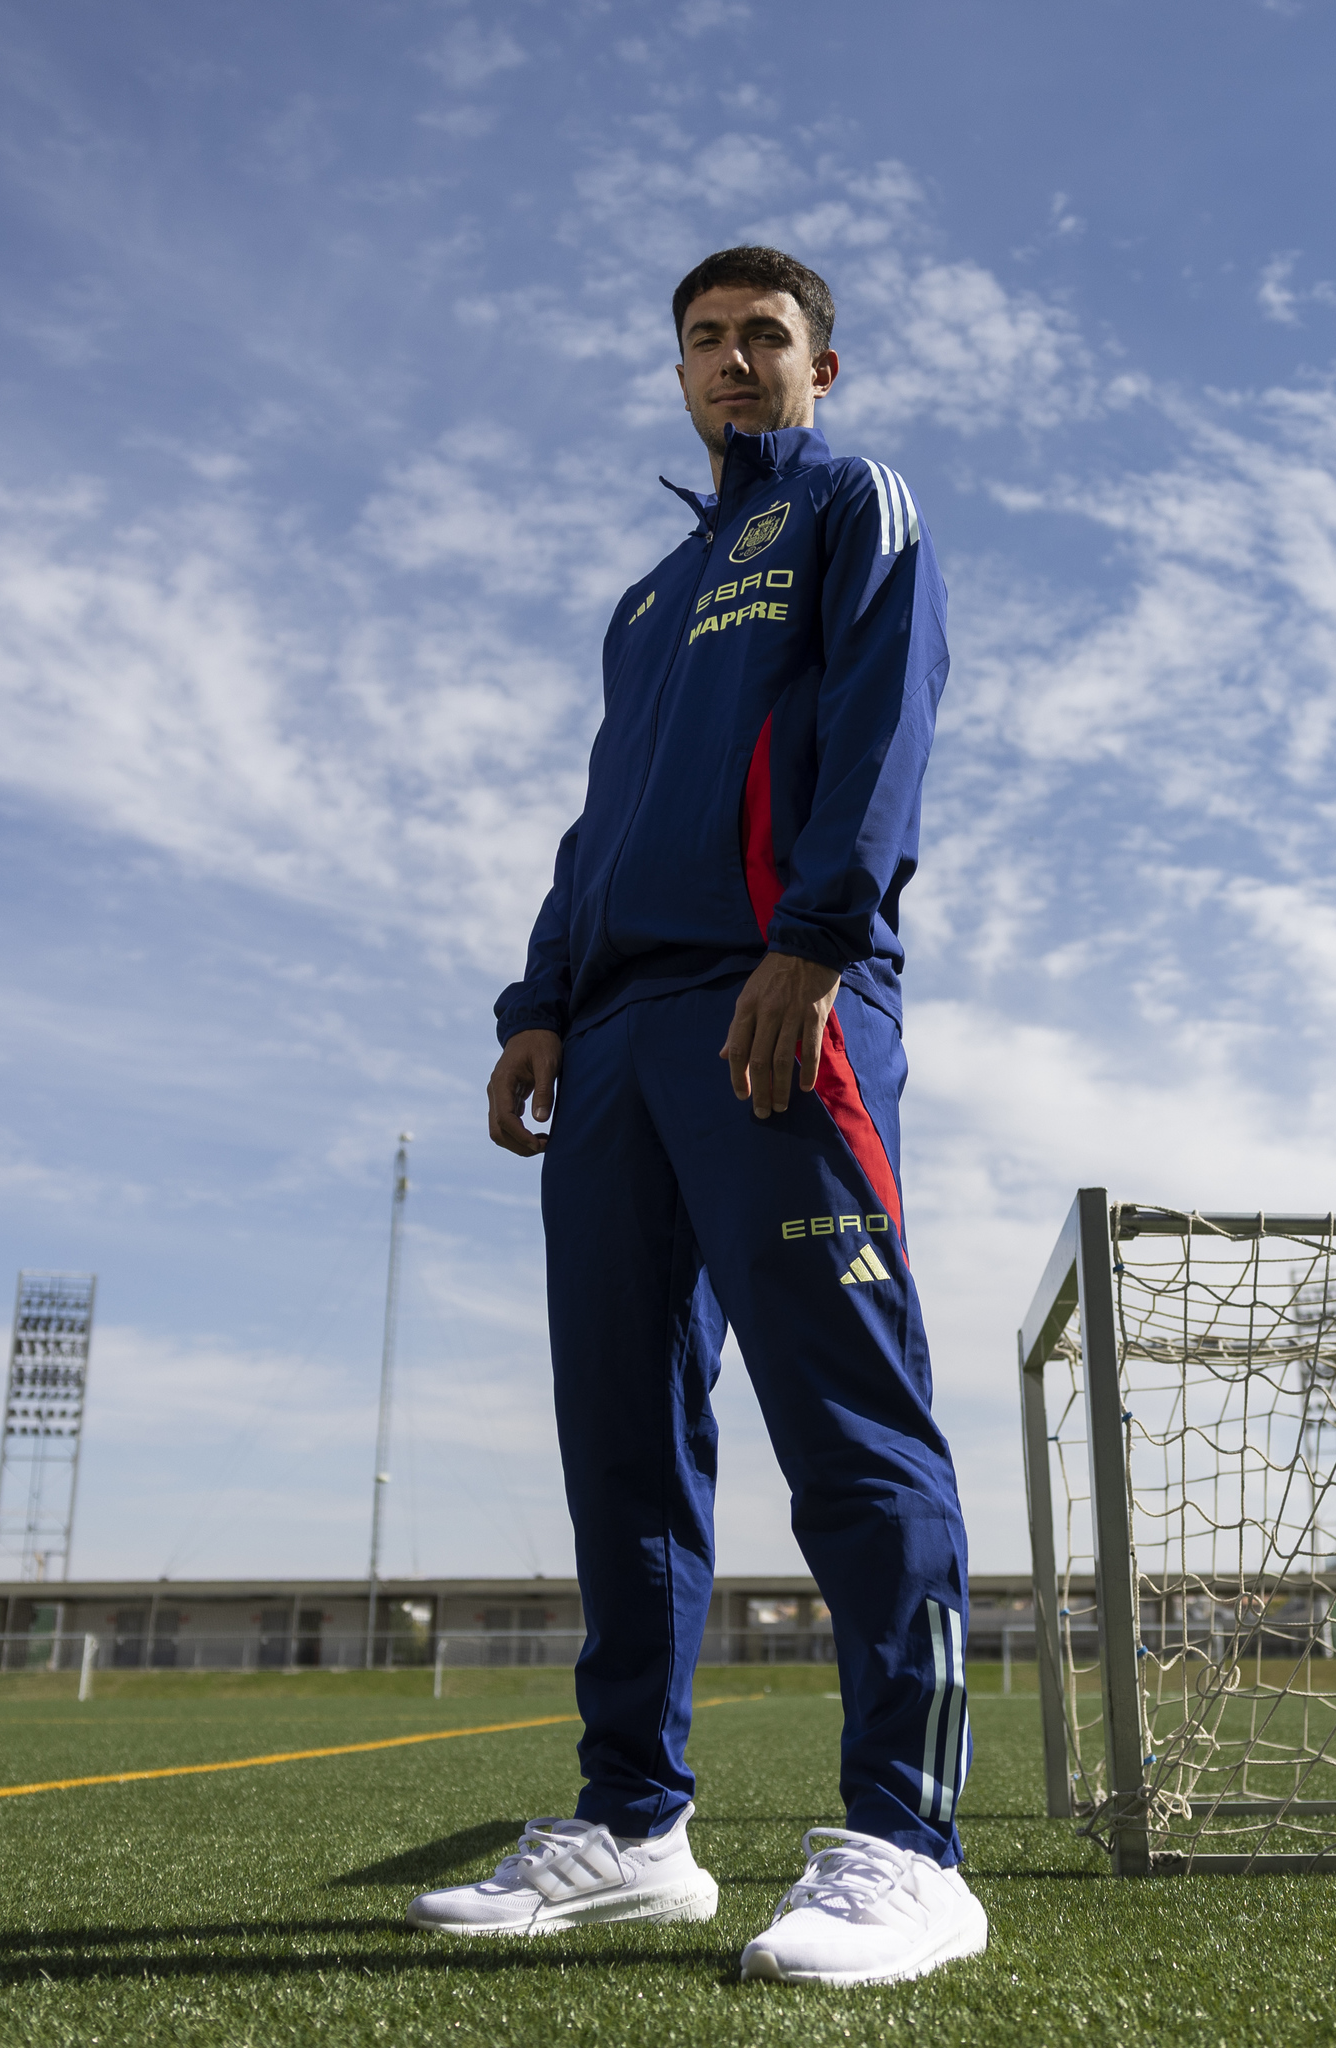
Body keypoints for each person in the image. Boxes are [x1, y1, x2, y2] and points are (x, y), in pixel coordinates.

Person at [406, 245, 982, 1989]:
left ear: (825, 365)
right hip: (619, 1043)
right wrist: (537, 1003)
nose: (734, 362)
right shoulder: (649, 601)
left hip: (779, 1003)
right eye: (705, 343)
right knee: (624, 1443)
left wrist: (815, 942)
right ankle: (633, 1831)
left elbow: (885, 728)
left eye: (765, 338)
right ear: (677, 376)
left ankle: (908, 1845)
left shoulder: (852, 506)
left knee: (850, 1422)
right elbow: (604, 823)